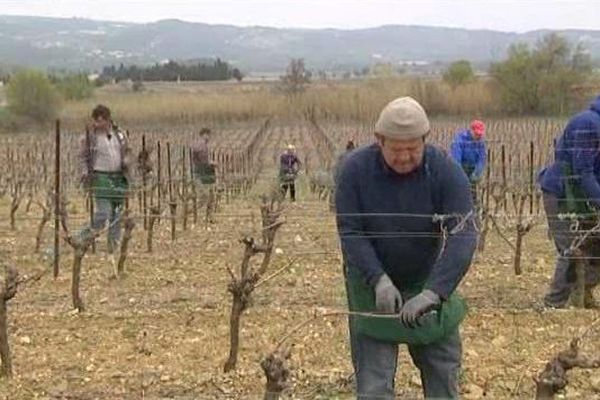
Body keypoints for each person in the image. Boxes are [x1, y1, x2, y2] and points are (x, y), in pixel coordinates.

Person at [335, 97, 477, 399]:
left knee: (443, 368)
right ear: (379, 141)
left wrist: (434, 292)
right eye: (396, 150)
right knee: (374, 382)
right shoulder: (354, 170)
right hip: (369, 282)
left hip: (426, 279)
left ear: (425, 140)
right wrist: (378, 279)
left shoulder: (446, 171)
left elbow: (464, 234)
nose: (405, 157)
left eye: (413, 149)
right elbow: (350, 230)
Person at [537, 96, 600, 309]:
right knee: (571, 248)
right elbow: (584, 172)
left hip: (582, 197)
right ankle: (553, 304)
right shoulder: (588, 124)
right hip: (562, 194)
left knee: (595, 246)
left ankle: (581, 292)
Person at [78, 104, 133, 252]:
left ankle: (113, 246)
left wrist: (127, 160)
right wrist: (84, 171)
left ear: (108, 120)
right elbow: (83, 157)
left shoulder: (120, 134)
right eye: (95, 121)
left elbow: (128, 151)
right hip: (100, 176)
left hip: (119, 176)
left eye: (101, 120)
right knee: (104, 213)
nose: (97, 124)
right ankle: (81, 238)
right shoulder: (90, 138)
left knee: (117, 212)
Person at [450, 120, 487, 202]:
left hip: (473, 170)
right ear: (471, 130)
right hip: (460, 168)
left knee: (472, 194)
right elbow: (456, 158)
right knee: (459, 193)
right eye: (476, 134)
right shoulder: (459, 140)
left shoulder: (481, 142)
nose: (478, 136)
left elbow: (482, 158)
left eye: (480, 134)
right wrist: (460, 175)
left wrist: (476, 173)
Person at [191, 128, 217, 222]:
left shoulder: (203, 145)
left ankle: (210, 218)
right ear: (203, 135)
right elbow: (203, 161)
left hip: (205, 173)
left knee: (211, 196)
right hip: (200, 174)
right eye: (208, 135)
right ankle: (187, 212)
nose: (209, 137)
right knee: (204, 197)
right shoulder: (200, 145)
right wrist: (211, 163)